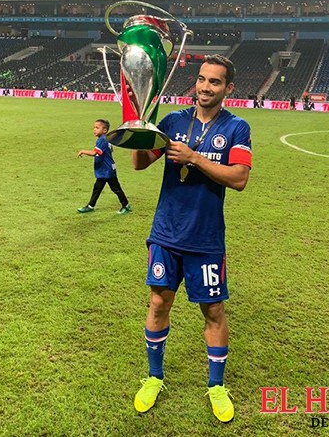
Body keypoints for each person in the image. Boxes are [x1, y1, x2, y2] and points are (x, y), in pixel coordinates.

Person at [131, 54, 252, 423]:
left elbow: (239, 179)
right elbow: (139, 163)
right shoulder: (173, 122)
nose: (205, 87)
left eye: (214, 82)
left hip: (206, 238)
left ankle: (216, 386)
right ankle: (154, 377)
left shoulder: (236, 127)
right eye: (201, 79)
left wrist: (194, 158)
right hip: (166, 233)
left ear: (228, 88)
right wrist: (140, 123)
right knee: (158, 303)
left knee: (213, 311)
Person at [77, 119, 132, 214]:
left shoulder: (102, 140)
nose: (94, 129)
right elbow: (111, 150)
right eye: (94, 127)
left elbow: (94, 153)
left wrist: (83, 151)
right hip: (105, 170)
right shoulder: (106, 139)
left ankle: (126, 206)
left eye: (97, 128)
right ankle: (90, 206)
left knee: (115, 189)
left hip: (107, 170)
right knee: (97, 188)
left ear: (104, 130)